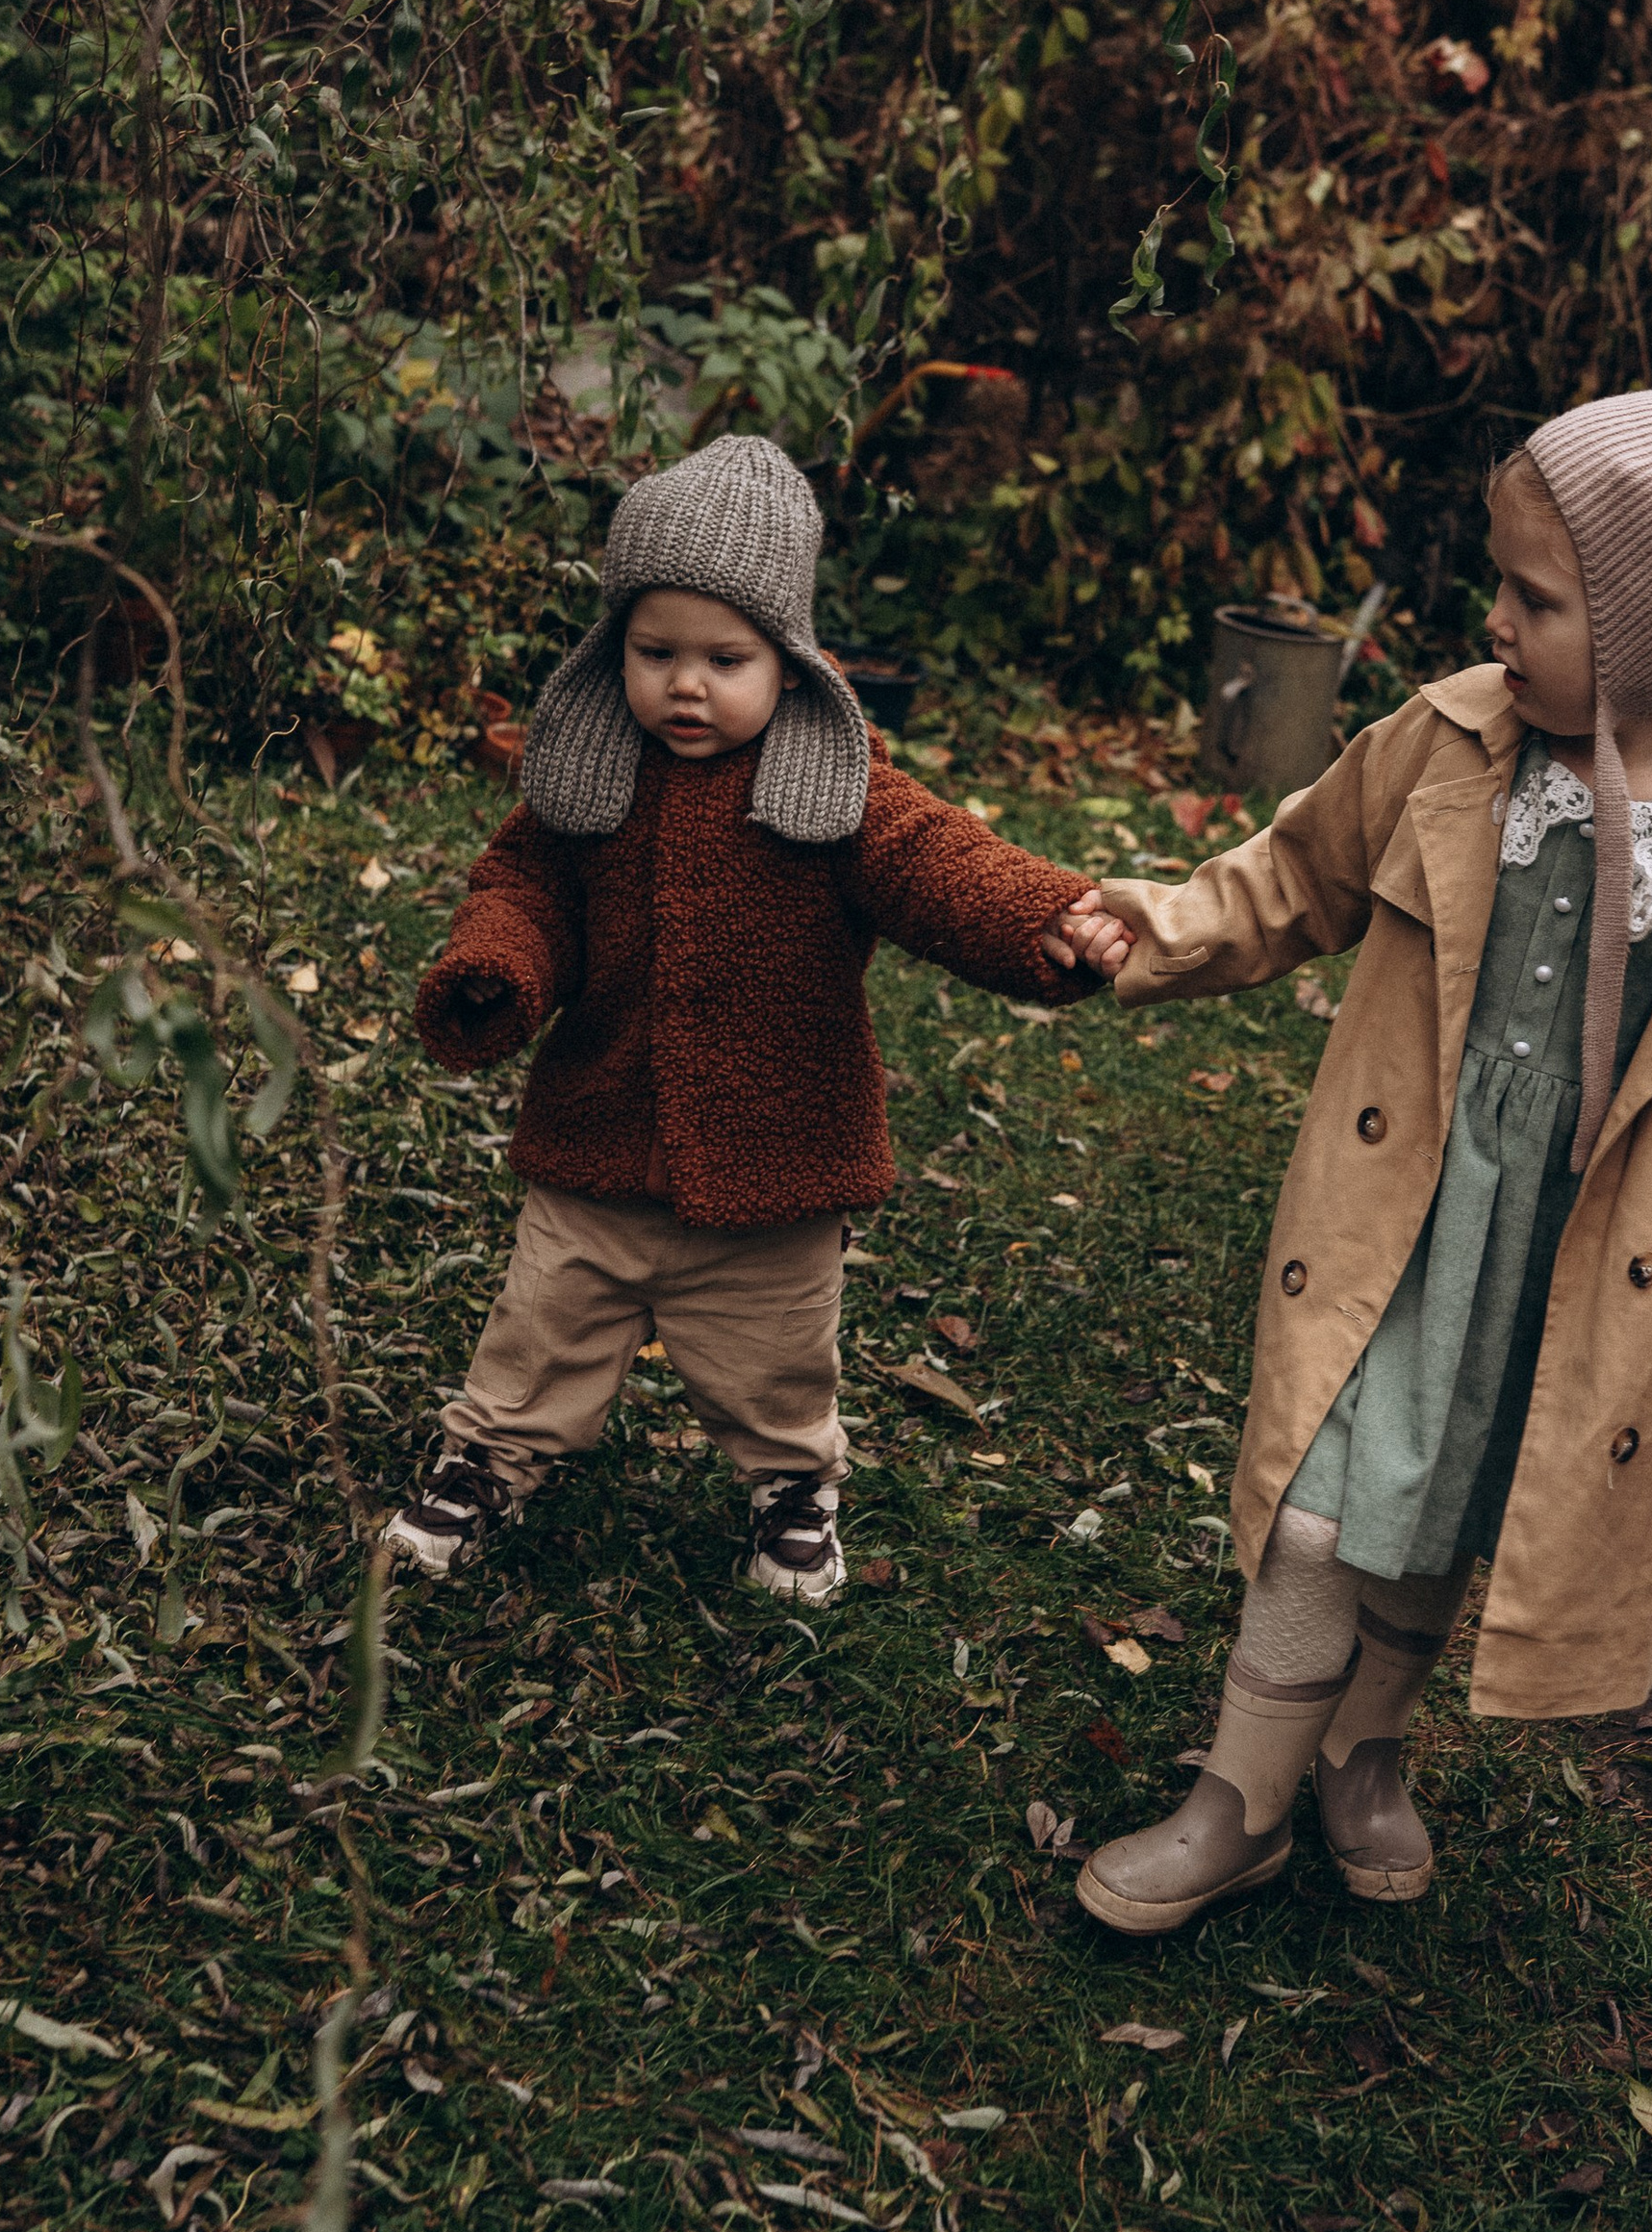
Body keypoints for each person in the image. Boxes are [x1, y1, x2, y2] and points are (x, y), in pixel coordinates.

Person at [1066, 383, 1652, 1934]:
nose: (1497, 622)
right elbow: (1289, 874)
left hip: (1586, 1251)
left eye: (1537, 597)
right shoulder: (1451, 746)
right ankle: (1237, 1800)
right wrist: (1151, 935)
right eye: (1502, 588)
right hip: (1413, 1203)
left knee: (1461, 1504)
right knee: (1326, 1494)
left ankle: (1364, 1752)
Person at [385, 433, 1129, 1601]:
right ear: (612, 648)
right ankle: (484, 1461)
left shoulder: (835, 787)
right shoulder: (589, 774)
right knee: (543, 1323)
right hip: (598, 1133)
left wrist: (1038, 918)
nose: (686, 684)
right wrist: (498, 962)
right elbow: (524, 888)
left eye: (725, 658)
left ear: (789, 661)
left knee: (777, 1354)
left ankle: (792, 1488)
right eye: (655, 652)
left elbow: (938, 865)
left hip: (777, 1147)